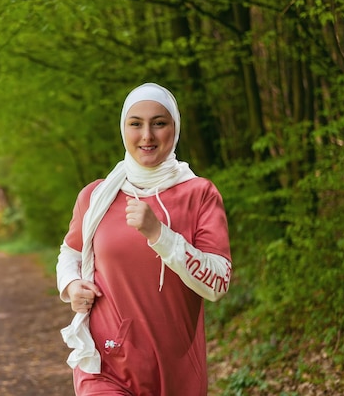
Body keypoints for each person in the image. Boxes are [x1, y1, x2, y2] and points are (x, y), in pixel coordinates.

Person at [56, 83, 232, 395]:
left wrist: (159, 234)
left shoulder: (200, 194)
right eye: (135, 124)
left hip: (176, 369)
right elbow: (71, 252)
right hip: (105, 361)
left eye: (159, 123)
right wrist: (71, 284)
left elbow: (217, 284)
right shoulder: (96, 195)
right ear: (123, 129)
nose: (147, 136)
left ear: (175, 129)